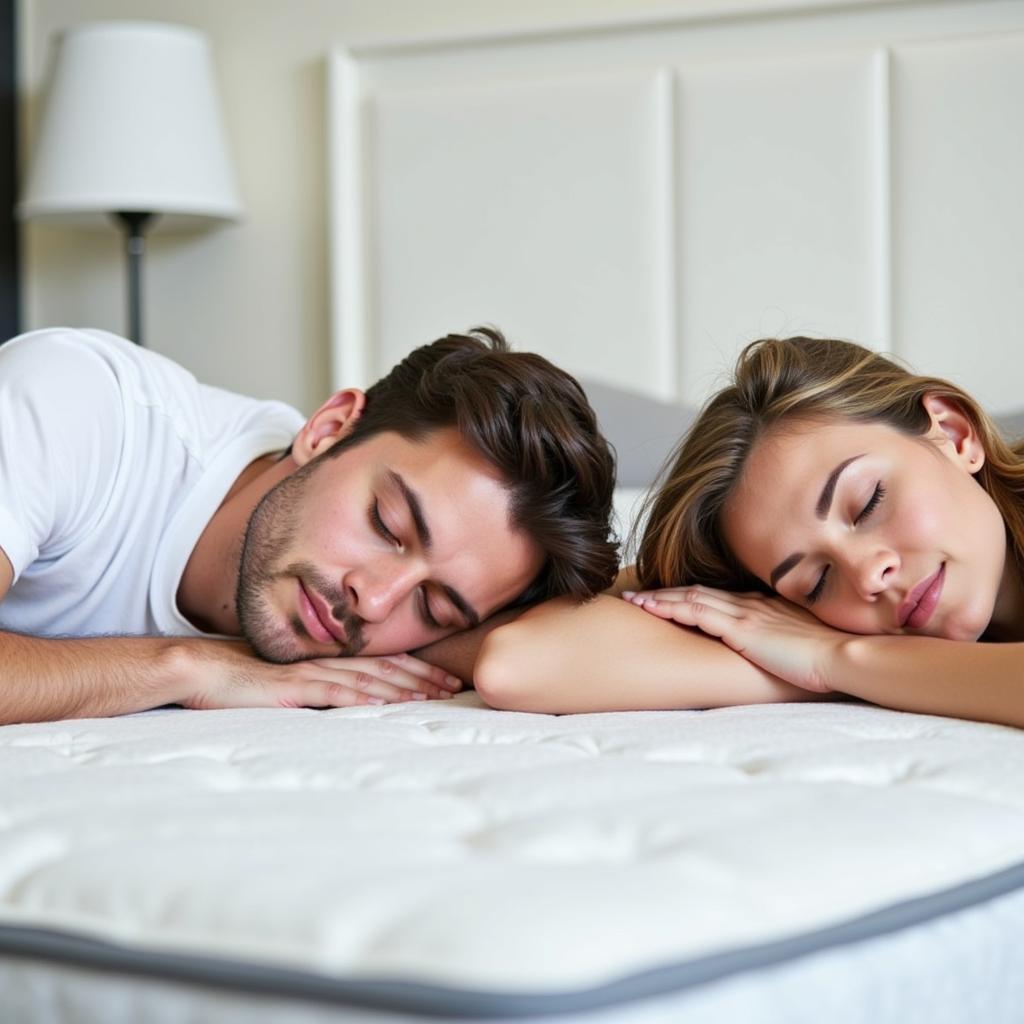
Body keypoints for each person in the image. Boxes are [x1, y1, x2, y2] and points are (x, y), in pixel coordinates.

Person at [0, 326, 618, 725]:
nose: (373, 602)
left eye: (434, 609)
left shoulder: (400, 617)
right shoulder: (81, 405)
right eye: (386, 523)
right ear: (328, 431)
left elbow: (559, 648)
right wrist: (183, 666)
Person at [475, 336, 1024, 730]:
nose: (867, 574)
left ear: (955, 434)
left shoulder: (834, 642)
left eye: (868, 503)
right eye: (814, 581)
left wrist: (836, 661)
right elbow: (519, 663)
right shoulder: (812, 620)